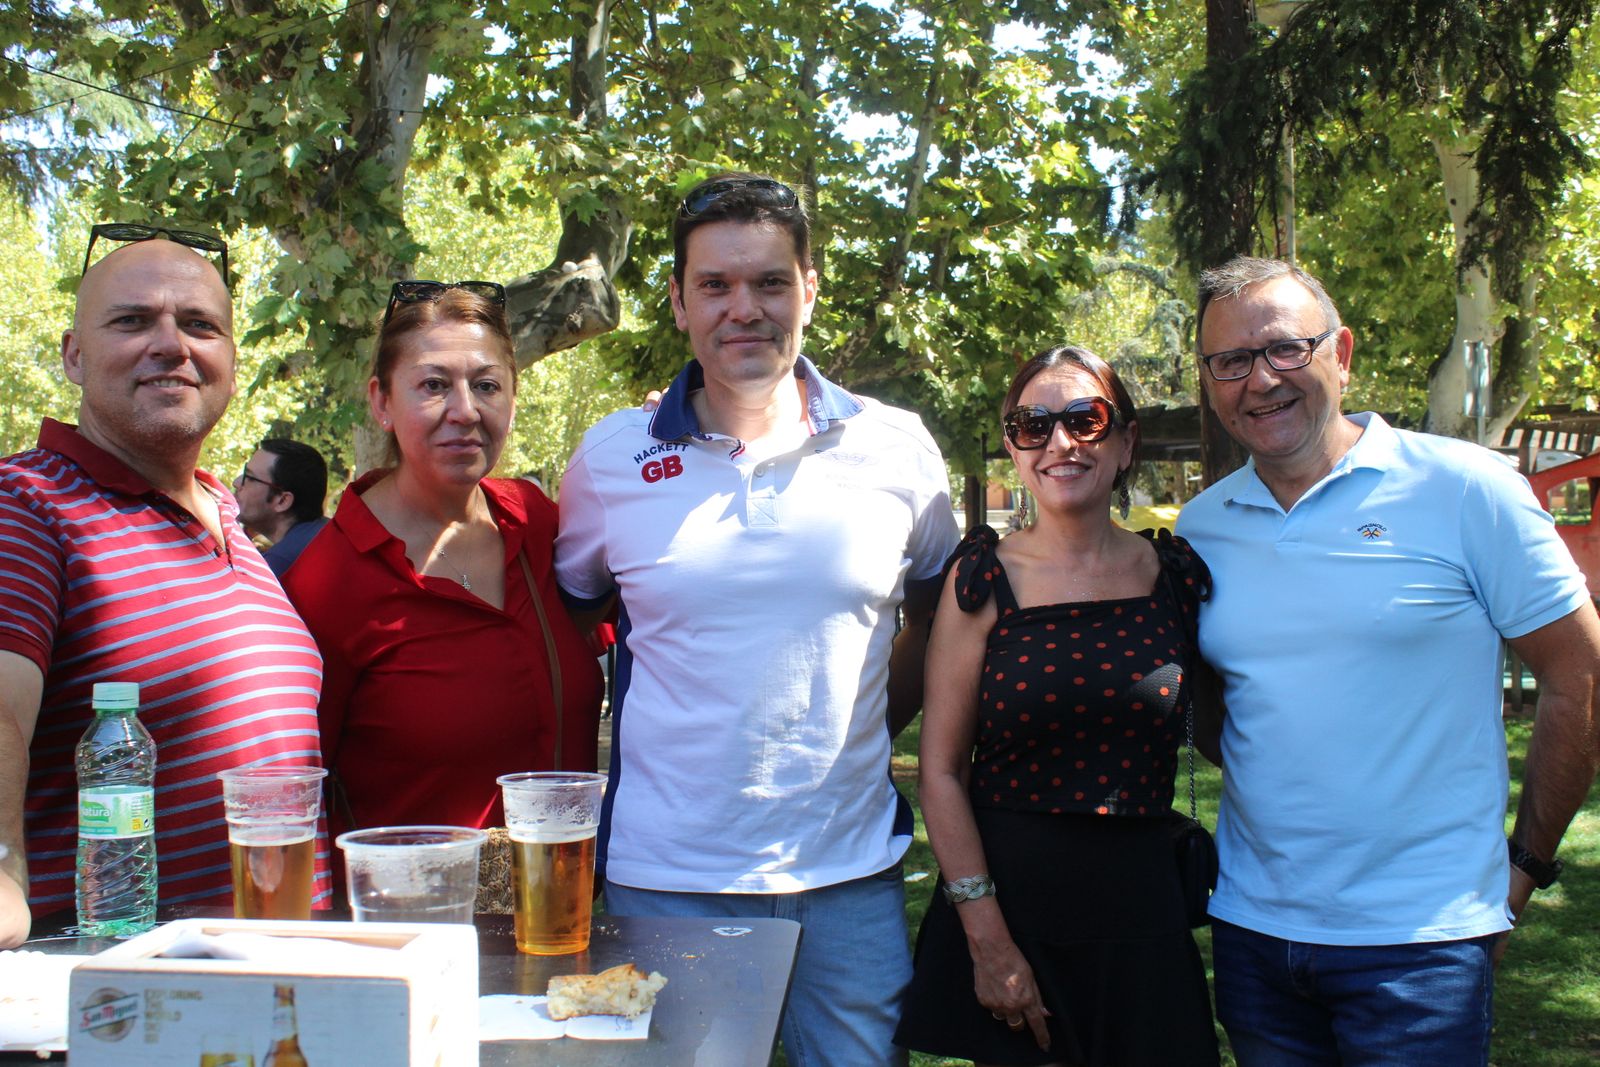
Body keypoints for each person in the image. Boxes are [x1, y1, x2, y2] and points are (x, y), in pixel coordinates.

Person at [554, 173, 960, 1067]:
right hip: (669, 880)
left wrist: (873, 717)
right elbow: (573, 611)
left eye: (771, 282)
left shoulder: (898, 447)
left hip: (849, 874)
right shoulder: (611, 457)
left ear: (810, 289)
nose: (746, 309)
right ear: (677, 301)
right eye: (716, 285)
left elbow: (941, 610)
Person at [1175, 256, 1600, 1065]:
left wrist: (1525, 869)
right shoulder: (1204, 528)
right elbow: (1232, 715)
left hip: (1420, 942)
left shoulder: (1466, 488)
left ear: (1342, 351)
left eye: (1284, 350)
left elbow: (1582, 674)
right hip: (1254, 933)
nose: (1259, 380)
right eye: (1230, 361)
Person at [0, 225, 327, 948]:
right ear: (73, 355)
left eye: (200, 325)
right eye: (133, 320)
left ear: (231, 363)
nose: (172, 345)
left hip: (272, 978)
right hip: (118, 996)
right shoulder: (27, 504)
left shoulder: (229, 515)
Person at [896, 346, 1220, 1067]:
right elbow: (941, 770)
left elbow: (1232, 725)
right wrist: (986, 935)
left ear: (1126, 438)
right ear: (1013, 444)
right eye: (1032, 424)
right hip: (1019, 918)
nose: (1060, 442)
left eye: (1086, 418)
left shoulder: (1174, 575)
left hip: (1144, 917)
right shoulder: (979, 579)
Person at [282, 280, 602, 836]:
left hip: (560, 907)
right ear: (382, 401)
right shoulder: (329, 581)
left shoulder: (541, 525)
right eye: (433, 385)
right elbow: (298, 790)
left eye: (486, 385)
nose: (465, 410)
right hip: (410, 913)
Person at [234, 438, 330, 577]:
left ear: (283, 501)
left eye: (250, 478)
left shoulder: (278, 566)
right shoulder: (325, 533)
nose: (236, 483)